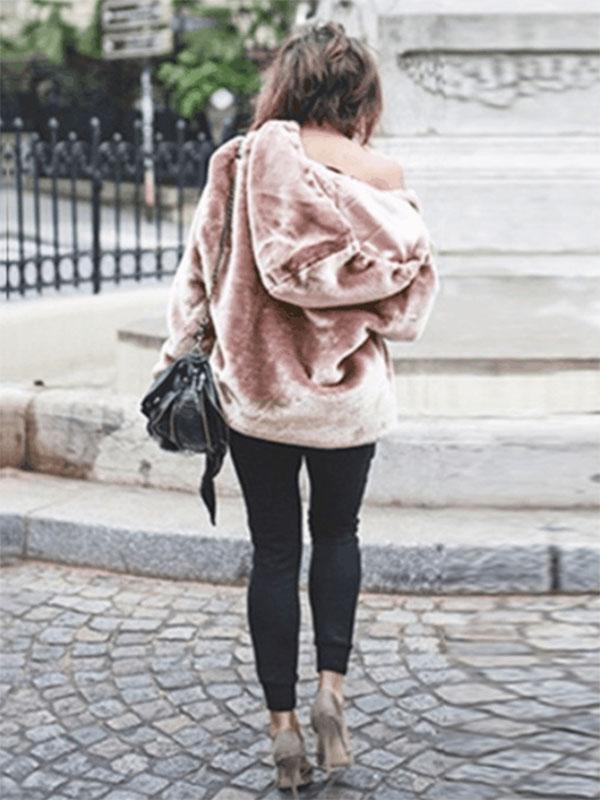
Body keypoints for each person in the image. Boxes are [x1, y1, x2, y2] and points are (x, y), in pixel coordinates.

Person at [151, 20, 440, 797]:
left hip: (259, 398)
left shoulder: (240, 163)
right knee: (338, 534)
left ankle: (282, 728)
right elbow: (407, 307)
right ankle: (331, 693)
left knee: (275, 552)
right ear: (362, 95)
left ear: (286, 85)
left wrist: (178, 354)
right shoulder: (382, 174)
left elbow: (199, 275)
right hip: (347, 402)